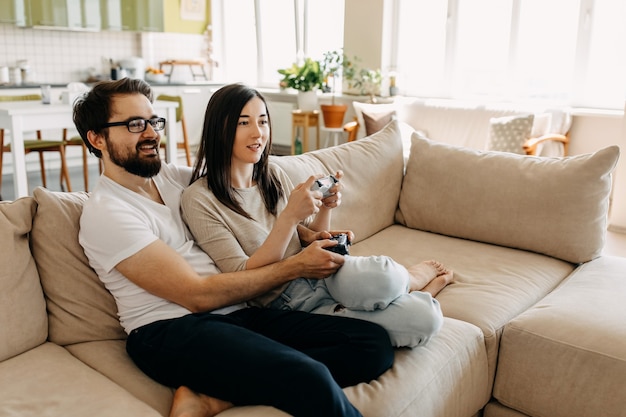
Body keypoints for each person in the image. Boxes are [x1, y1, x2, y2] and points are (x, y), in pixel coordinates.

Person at [72, 78, 395, 417]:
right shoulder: (107, 213)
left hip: (237, 315)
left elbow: (240, 190)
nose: (151, 133)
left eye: (154, 122)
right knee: (308, 376)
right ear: (97, 138)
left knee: (371, 344)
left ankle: (217, 397)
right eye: (135, 124)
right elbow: (196, 296)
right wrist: (298, 265)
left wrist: (304, 231)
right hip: (171, 331)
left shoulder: (172, 179)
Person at [181, 83, 453, 349]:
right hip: (289, 303)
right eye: (244, 123)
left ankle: (408, 279)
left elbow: (308, 235)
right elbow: (240, 277)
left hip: (326, 274)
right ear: (219, 129)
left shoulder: (273, 175)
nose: (258, 133)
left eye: (262, 121)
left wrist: (325, 208)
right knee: (425, 320)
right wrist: (288, 218)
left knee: (383, 277)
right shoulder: (200, 199)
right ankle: (414, 293)